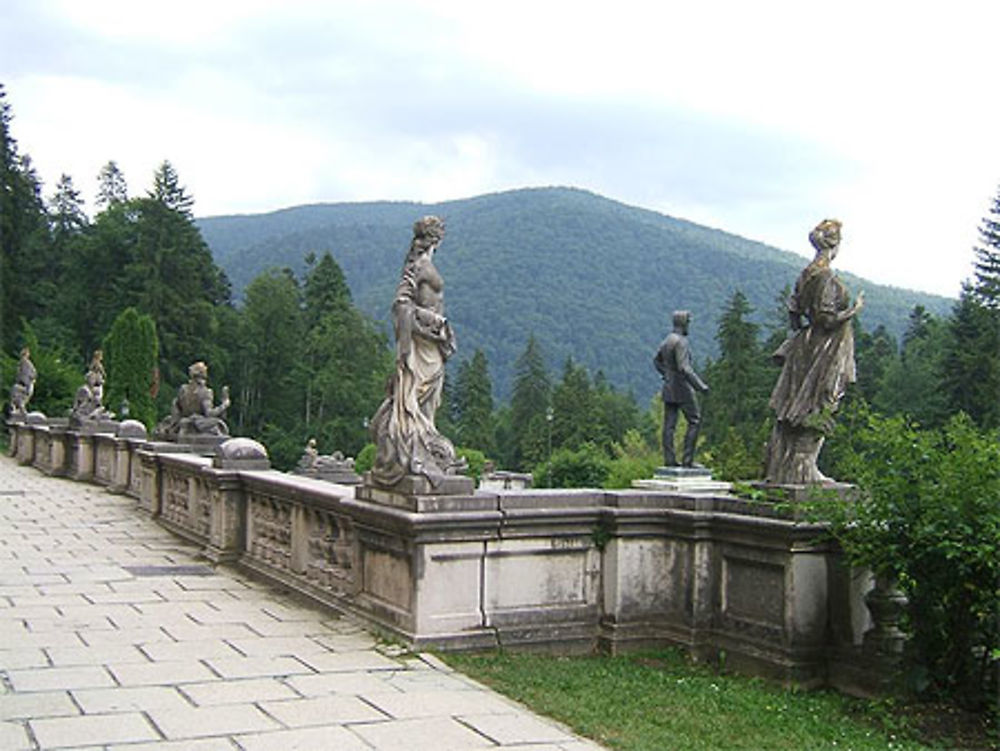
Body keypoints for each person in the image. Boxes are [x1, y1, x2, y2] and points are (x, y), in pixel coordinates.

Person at [765, 219, 864, 484]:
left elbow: (794, 312)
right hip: (827, 348)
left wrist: (803, 338)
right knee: (821, 402)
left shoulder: (806, 274)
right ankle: (804, 468)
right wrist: (854, 310)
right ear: (836, 245)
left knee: (795, 404)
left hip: (806, 346)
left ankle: (782, 468)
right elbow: (826, 318)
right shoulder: (827, 277)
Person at [370, 216, 464, 486]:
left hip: (432, 342)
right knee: (414, 394)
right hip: (422, 343)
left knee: (426, 400)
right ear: (435, 238)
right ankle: (409, 445)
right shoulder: (417, 266)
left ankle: (426, 446)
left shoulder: (424, 264)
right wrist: (432, 322)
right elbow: (401, 304)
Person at [654, 310, 709, 467]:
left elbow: (656, 362)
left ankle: (669, 460)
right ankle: (687, 460)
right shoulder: (681, 341)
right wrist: (700, 386)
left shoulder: (666, 341)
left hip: (669, 387)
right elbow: (684, 367)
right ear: (684, 323)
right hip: (682, 387)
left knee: (669, 425)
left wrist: (666, 375)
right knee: (694, 420)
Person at [156, 361, 230, 437]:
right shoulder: (205, 392)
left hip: (182, 421)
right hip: (197, 423)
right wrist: (224, 405)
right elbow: (209, 413)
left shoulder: (183, 389)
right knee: (218, 424)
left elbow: (176, 407)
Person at [9, 347, 36, 415]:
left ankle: (20, 410)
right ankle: (17, 409)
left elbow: (33, 375)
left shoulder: (27, 364)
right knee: (16, 393)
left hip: (26, 385)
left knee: (20, 396)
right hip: (22, 384)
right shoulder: (21, 364)